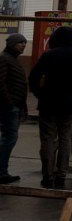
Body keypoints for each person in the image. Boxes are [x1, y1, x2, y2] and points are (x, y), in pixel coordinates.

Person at [28, 26, 72, 189]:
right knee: (65, 139)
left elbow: (33, 77)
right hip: (68, 104)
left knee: (48, 139)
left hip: (48, 104)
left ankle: (47, 175)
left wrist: (39, 94)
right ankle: (61, 175)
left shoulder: (49, 55)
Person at [1, 33, 29, 185]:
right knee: (9, 138)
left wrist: (22, 107)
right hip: (9, 107)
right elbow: (1, 83)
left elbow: (20, 86)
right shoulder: (4, 58)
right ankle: (1, 172)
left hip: (15, 106)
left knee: (10, 138)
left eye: (24, 42)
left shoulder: (13, 59)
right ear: (11, 44)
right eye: (20, 42)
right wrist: (9, 104)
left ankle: (3, 170)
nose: (23, 45)